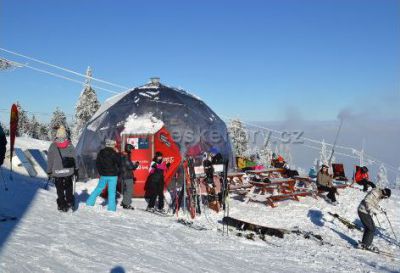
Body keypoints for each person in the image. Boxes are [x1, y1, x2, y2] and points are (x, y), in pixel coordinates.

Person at [47, 125, 78, 212]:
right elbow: (75, 158)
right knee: (68, 187)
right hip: (68, 171)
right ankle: (69, 202)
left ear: (57, 135)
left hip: (57, 172)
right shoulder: (70, 145)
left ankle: (62, 204)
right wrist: (76, 169)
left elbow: (50, 160)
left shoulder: (53, 146)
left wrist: (49, 171)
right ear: (65, 135)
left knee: (59, 188)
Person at [86, 139, 121, 212]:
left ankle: (89, 202)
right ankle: (111, 208)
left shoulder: (101, 153)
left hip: (103, 175)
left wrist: (101, 172)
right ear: (112, 145)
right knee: (112, 191)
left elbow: (97, 164)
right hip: (113, 175)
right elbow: (119, 162)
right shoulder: (114, 153)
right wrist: (118, 153)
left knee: (99, 188)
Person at [120, 144, 139, 210]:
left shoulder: (123, 155)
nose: (132, 150)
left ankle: (124, 202)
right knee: (129, 190)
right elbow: (130, 167)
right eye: (131, 149)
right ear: (128, 149)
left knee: (126, 190)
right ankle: (126, 204)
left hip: (124, 175)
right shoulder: (126, 156)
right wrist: (136, 165)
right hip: (127, 175)